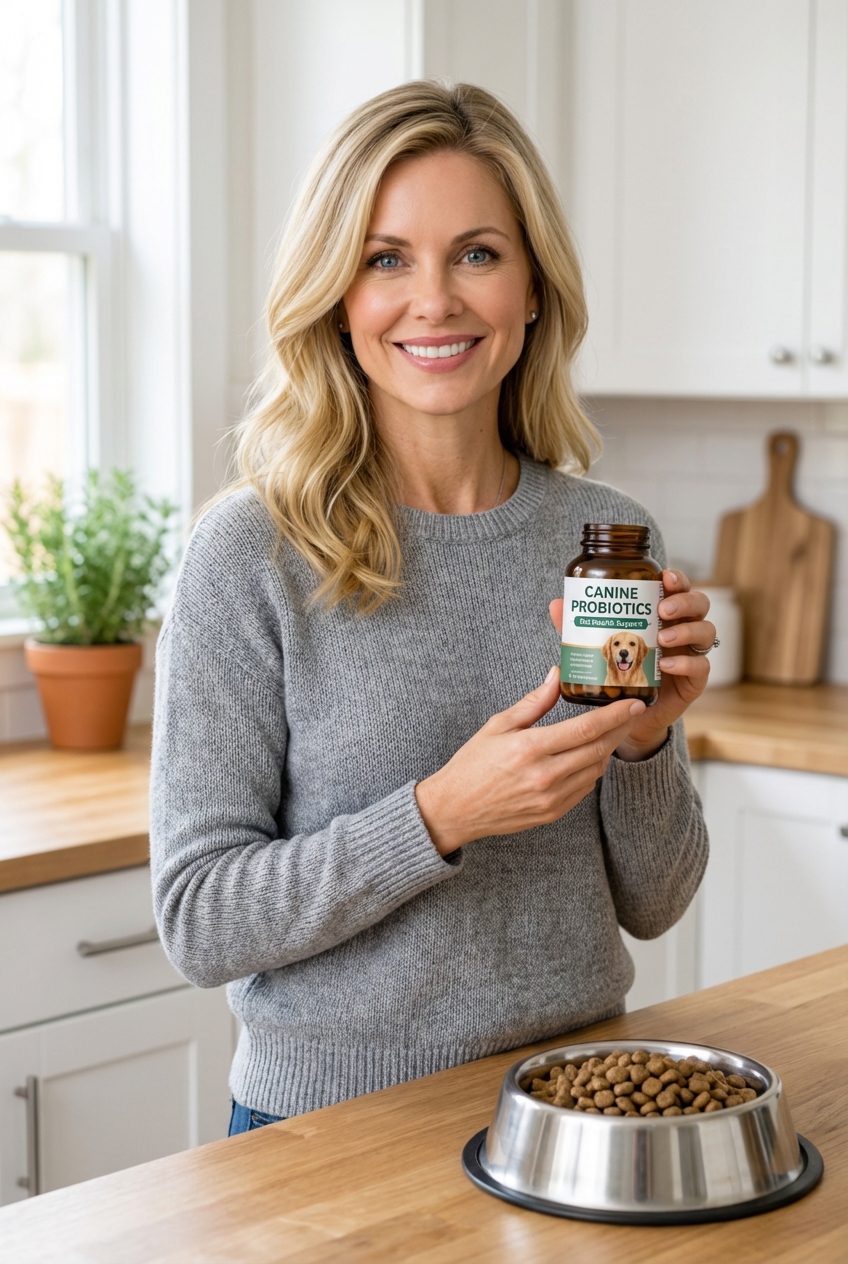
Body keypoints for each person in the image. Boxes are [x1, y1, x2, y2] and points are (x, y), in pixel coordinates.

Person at [150, 81, 713, 1136]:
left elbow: (655, 901)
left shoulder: (605, 544)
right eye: (385, 257)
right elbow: (199, 918)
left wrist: (644, 741)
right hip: (324, 1139)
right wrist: (439, 816)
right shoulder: (249, 554)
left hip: (574, 1115)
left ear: (533, 287)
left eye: (477, 253)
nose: (435, 301)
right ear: (336, 293)